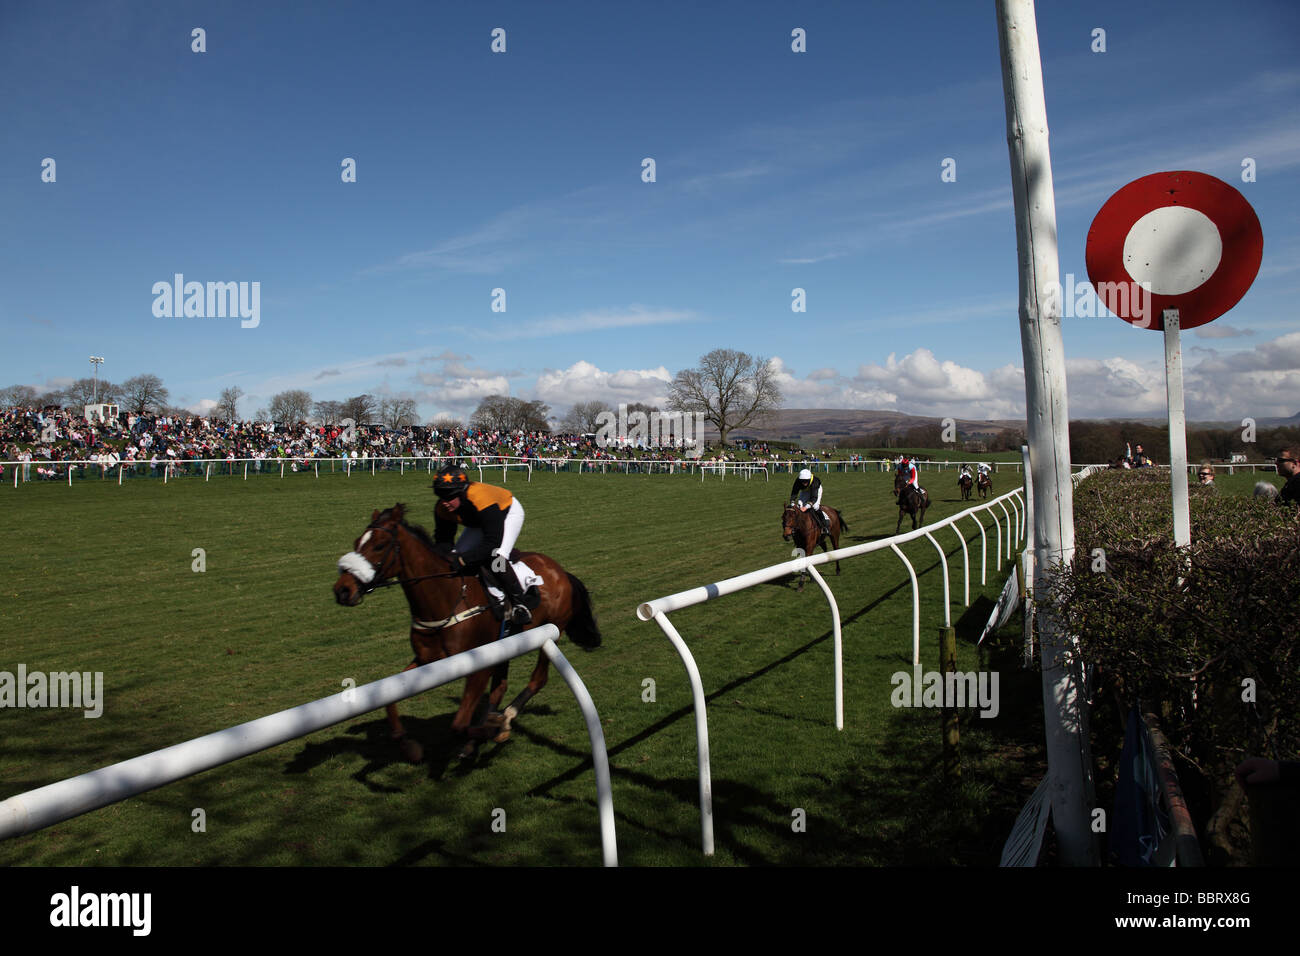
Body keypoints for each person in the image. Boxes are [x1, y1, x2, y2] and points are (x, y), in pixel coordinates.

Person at [432, 463, 536, 626]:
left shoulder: (480, 497)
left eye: (449, 496)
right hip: (479, 522)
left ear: (461, 493)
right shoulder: (442, 509)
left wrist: (463, 560)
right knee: (454, 557)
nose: (444, 502)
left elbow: (492, 542)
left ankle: (519, 603)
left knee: (497, 558)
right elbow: (443, 542)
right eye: (441, 496)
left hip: (508, 512)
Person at [789, 467, 828, 536]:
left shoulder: (815, 481)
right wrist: (792, 503)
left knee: (815, 506)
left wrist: (806, 507)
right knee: (799, 504)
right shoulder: (798, 481)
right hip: (805, 491)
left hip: (816, 490)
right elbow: (794, 492)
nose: (804, 482)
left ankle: (824, 526)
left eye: (806, 481)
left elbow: (814, 497)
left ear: (809, 479)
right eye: (802, 481)